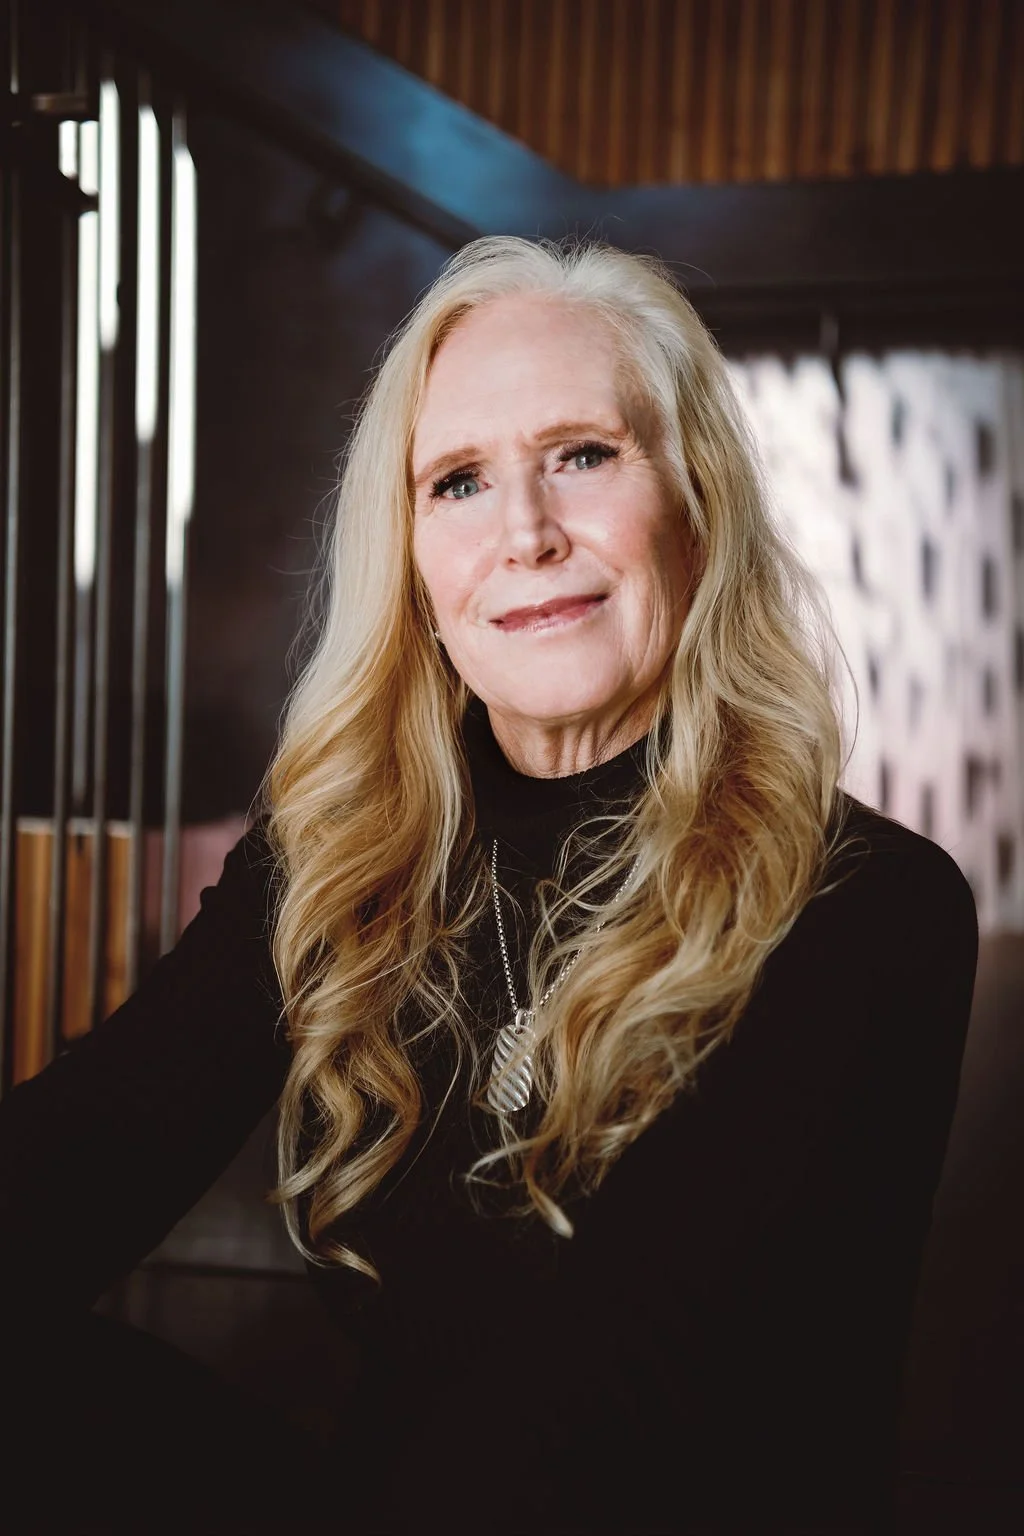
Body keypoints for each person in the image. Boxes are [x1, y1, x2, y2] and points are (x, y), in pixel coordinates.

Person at [0, 236, 978, 1534]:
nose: (525, 532)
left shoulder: (870, 905)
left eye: (582, 454)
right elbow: (90, 1154)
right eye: (459, 480)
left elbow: (594, 1410)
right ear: (412, 558)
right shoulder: (344, 849)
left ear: (697, 499)